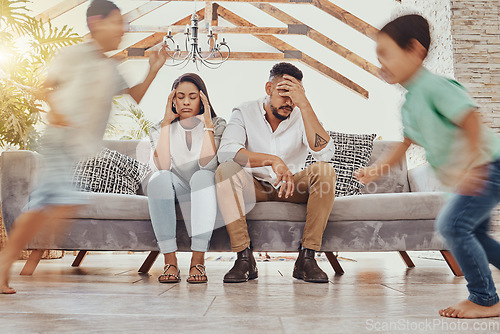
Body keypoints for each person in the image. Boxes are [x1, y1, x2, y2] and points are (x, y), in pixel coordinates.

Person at [0, 0, 168, 294]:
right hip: (60, 141)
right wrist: (60, 116)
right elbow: (45, 87)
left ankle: (20, 267)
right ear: (95, 23)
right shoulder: (73, 54)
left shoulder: (109, 66)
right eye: (117, 23)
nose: (122, 30)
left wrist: (153, 68)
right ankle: (4, 268)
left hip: (76, 148)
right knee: (44, 206)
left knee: (56, 206)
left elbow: (135, 97)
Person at [356, 14, 500, 318]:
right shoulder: (410, 104)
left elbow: (470, 119)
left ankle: (485, 299)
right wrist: (376, 170)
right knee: (478, 236)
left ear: (415, 51)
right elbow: (405, 145)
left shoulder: (434, 87)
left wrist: (473, 166)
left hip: (487, 165)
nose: (381, 62)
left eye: (386, 53)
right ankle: (485, 296)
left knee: (453, 226)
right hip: (480, 169)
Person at [215, 62, 336, 283]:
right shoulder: (244, 111)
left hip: (290, 187)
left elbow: (325, 153)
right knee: (226, 170)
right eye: (283, 93)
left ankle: (307, 259)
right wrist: (272, 161)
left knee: (325, 171)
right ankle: (244, 258)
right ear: (268, 88)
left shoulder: (301, 113)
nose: (289, 102)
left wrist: (305, 105)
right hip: (255, 187)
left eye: (294, 95)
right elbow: (226, 153)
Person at [147, 73, 226, 284]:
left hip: (205, 188)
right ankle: (169, 260)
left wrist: (207, 124)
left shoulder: (217, 125)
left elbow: (208, 166)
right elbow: (163, 166)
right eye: (180, 96)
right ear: (172, 100)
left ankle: (198, 259)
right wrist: (166, 122)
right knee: (158, 178)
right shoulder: (158, 128)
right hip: (177, 188)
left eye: (192, 96)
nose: (186, 101)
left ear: (202, 99)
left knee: (202, 176)